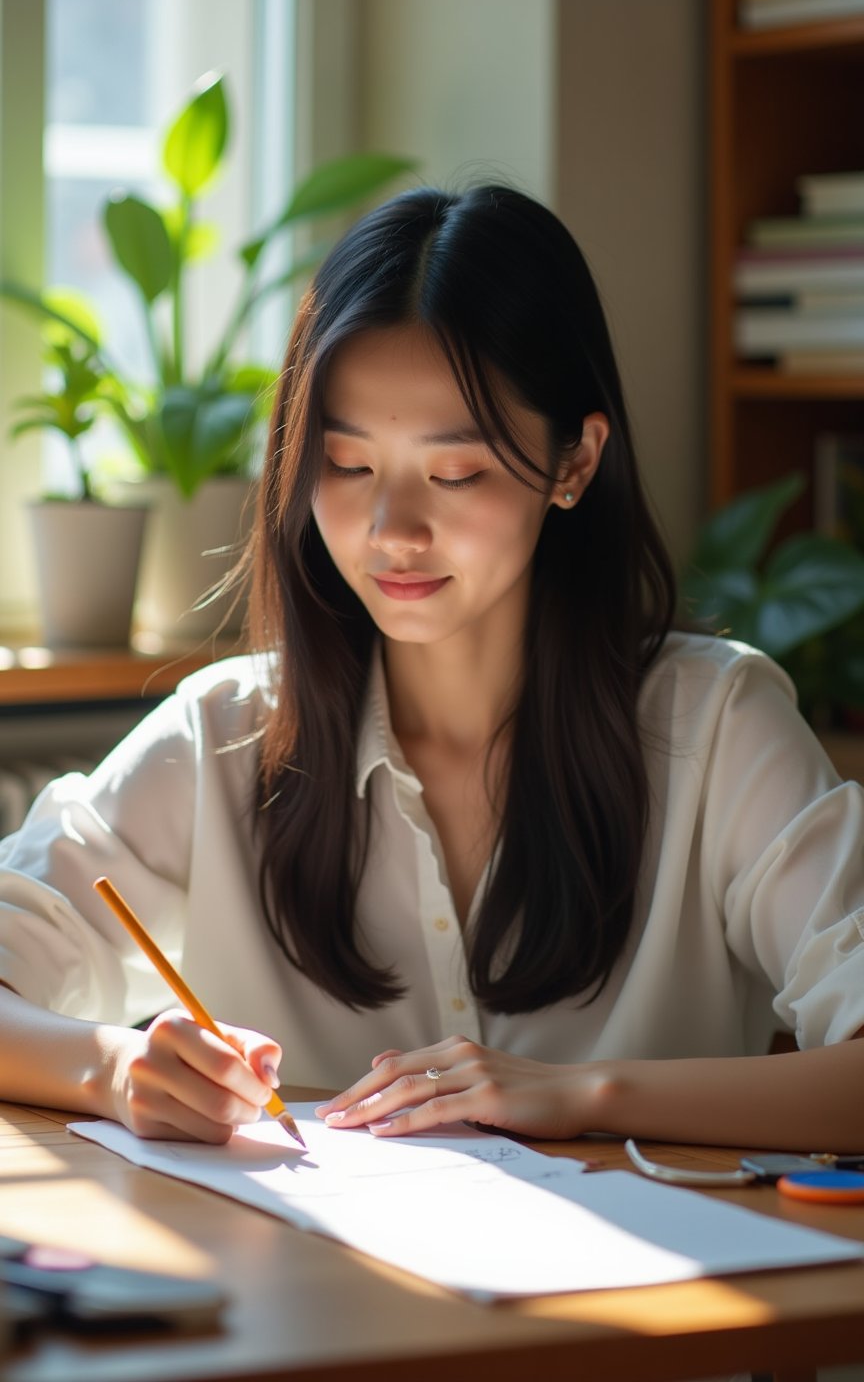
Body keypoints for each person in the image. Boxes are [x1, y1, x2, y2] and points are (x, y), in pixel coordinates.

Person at [0, 183, 862, 1150]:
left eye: (457, 473)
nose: (392, 532)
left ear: (574, 461)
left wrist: (580, 1096)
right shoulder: (224, 736)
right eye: (348, 466)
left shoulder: (719, 729)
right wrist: (114, 1068)